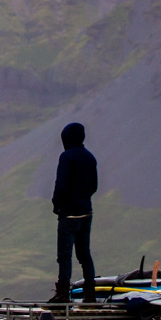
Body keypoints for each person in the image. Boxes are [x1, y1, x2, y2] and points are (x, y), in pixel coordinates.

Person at [50, 122, 98, 303]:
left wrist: (57, 204)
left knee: (65, 255)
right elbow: (94, 186)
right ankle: (90, 295)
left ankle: (63, 294)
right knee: (85, 254)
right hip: (86, 213)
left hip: (69, 214)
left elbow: (61, 186)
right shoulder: (90, 158)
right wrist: (83, 198)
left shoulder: (66, 157)